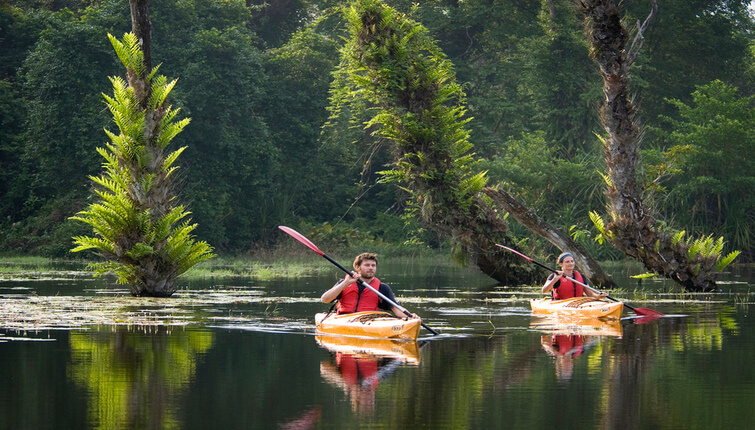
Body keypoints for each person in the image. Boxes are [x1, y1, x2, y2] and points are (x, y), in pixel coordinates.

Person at [321, 252, 418, 319]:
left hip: (370, 320)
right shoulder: (344, 282)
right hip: (344, 318)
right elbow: (325, 299)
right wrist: (346, 283)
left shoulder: (382, 287)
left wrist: (411, 317)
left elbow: (396, 309)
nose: (371, 268)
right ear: (357, 267)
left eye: (373, 265)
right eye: (367, 265)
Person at [541, 252, 607, 300]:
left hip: (578, 304)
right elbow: (544, 291)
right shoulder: (554, 276)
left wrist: (599, 296)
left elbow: (590, 294)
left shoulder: (581, 277)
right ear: (561, 264)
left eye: (572, 261)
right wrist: (554, 279)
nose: (570, 263)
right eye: (567, 262)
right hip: (560, 304)